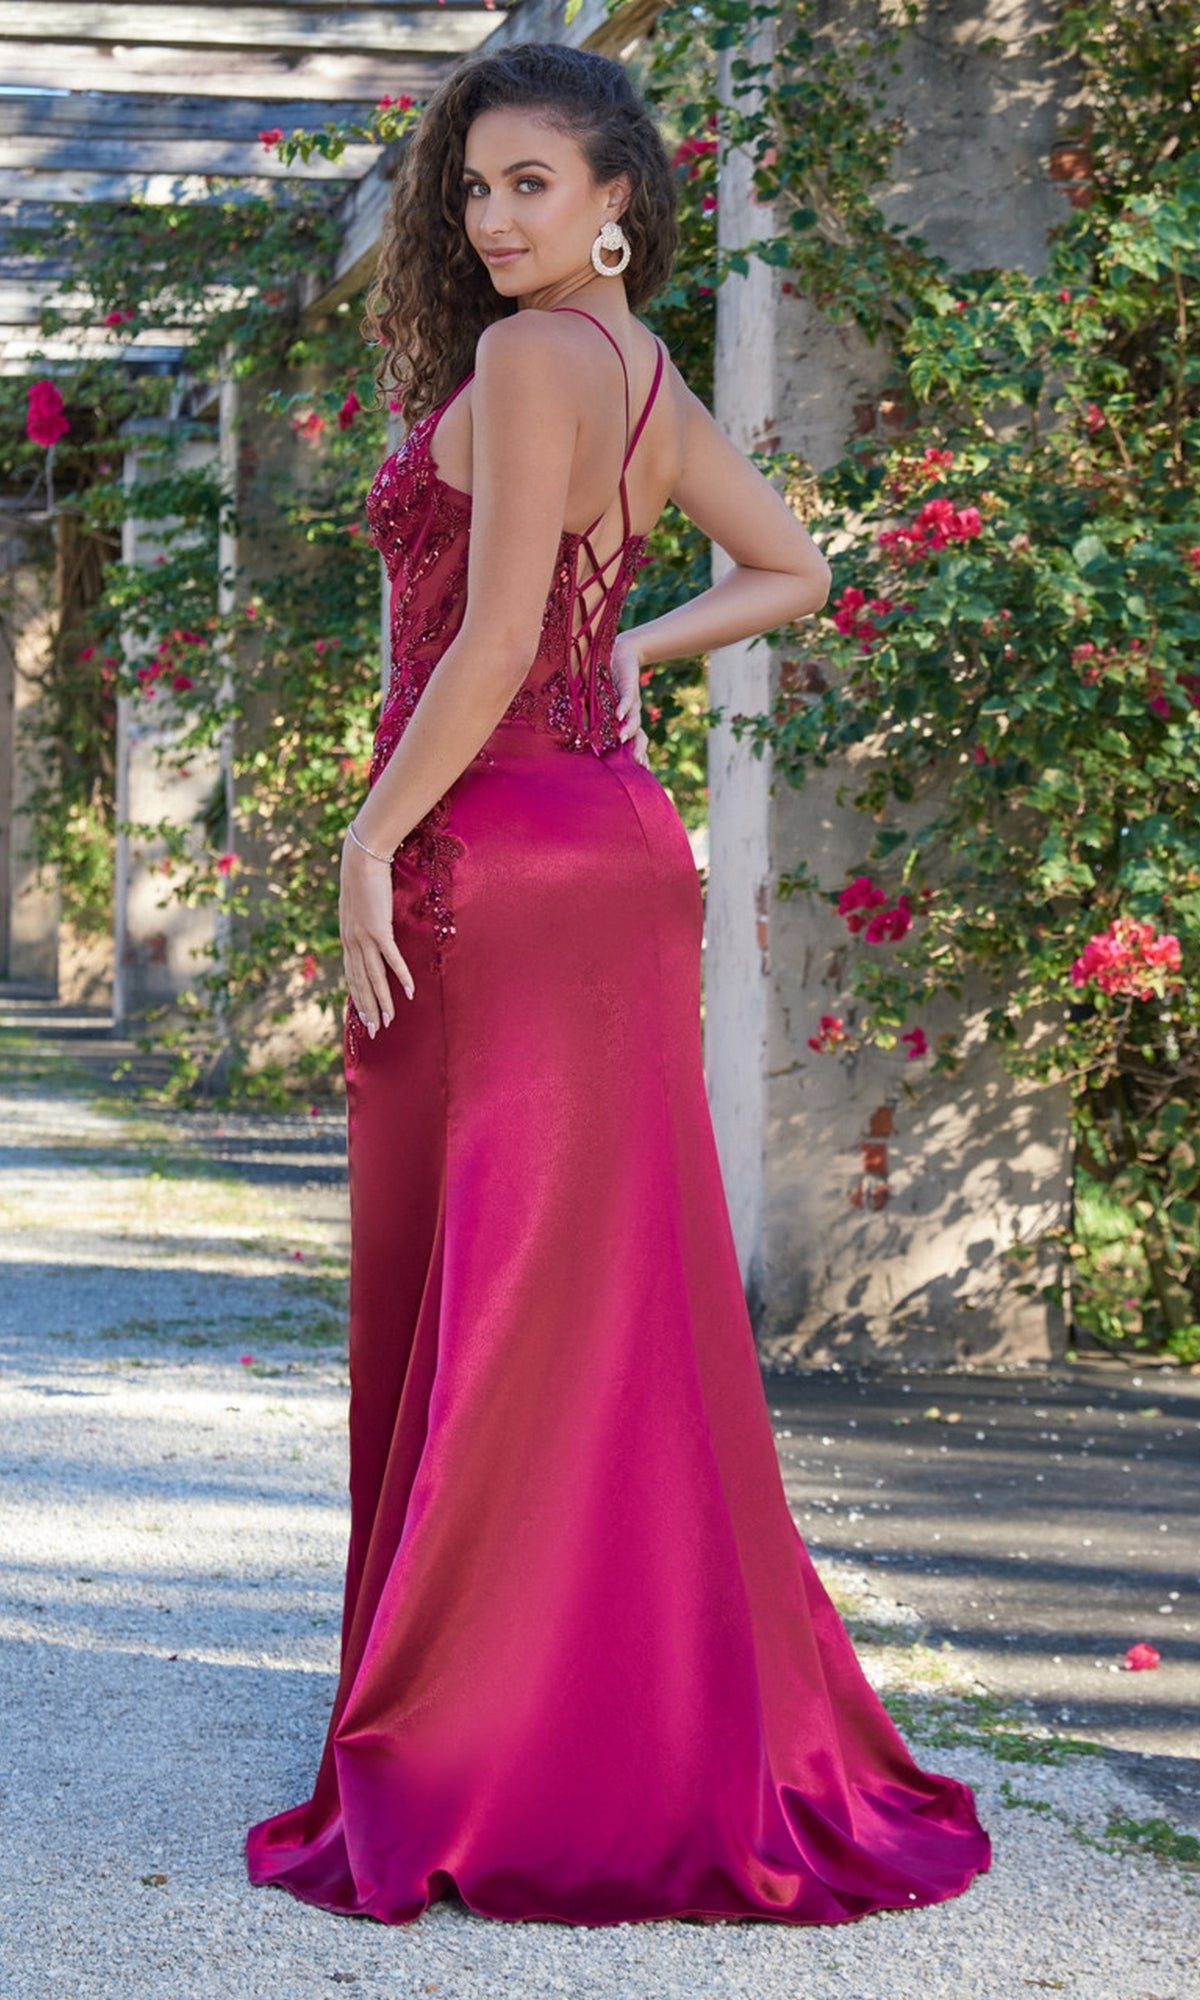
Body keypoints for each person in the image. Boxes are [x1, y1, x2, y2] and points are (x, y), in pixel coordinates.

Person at [245, 40, 991, 1927]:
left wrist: (363, 836)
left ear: (618, 203)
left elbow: (493, 638)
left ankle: (488, 1743)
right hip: (614, 851)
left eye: (529, 186)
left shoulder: (522, 362)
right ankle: (620, 1716)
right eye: (473, 187)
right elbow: (796, 571)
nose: (492, 219)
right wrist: (639, 646)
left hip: (491, 853)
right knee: (597, 1295)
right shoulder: (640, 373)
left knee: (488, 1290)